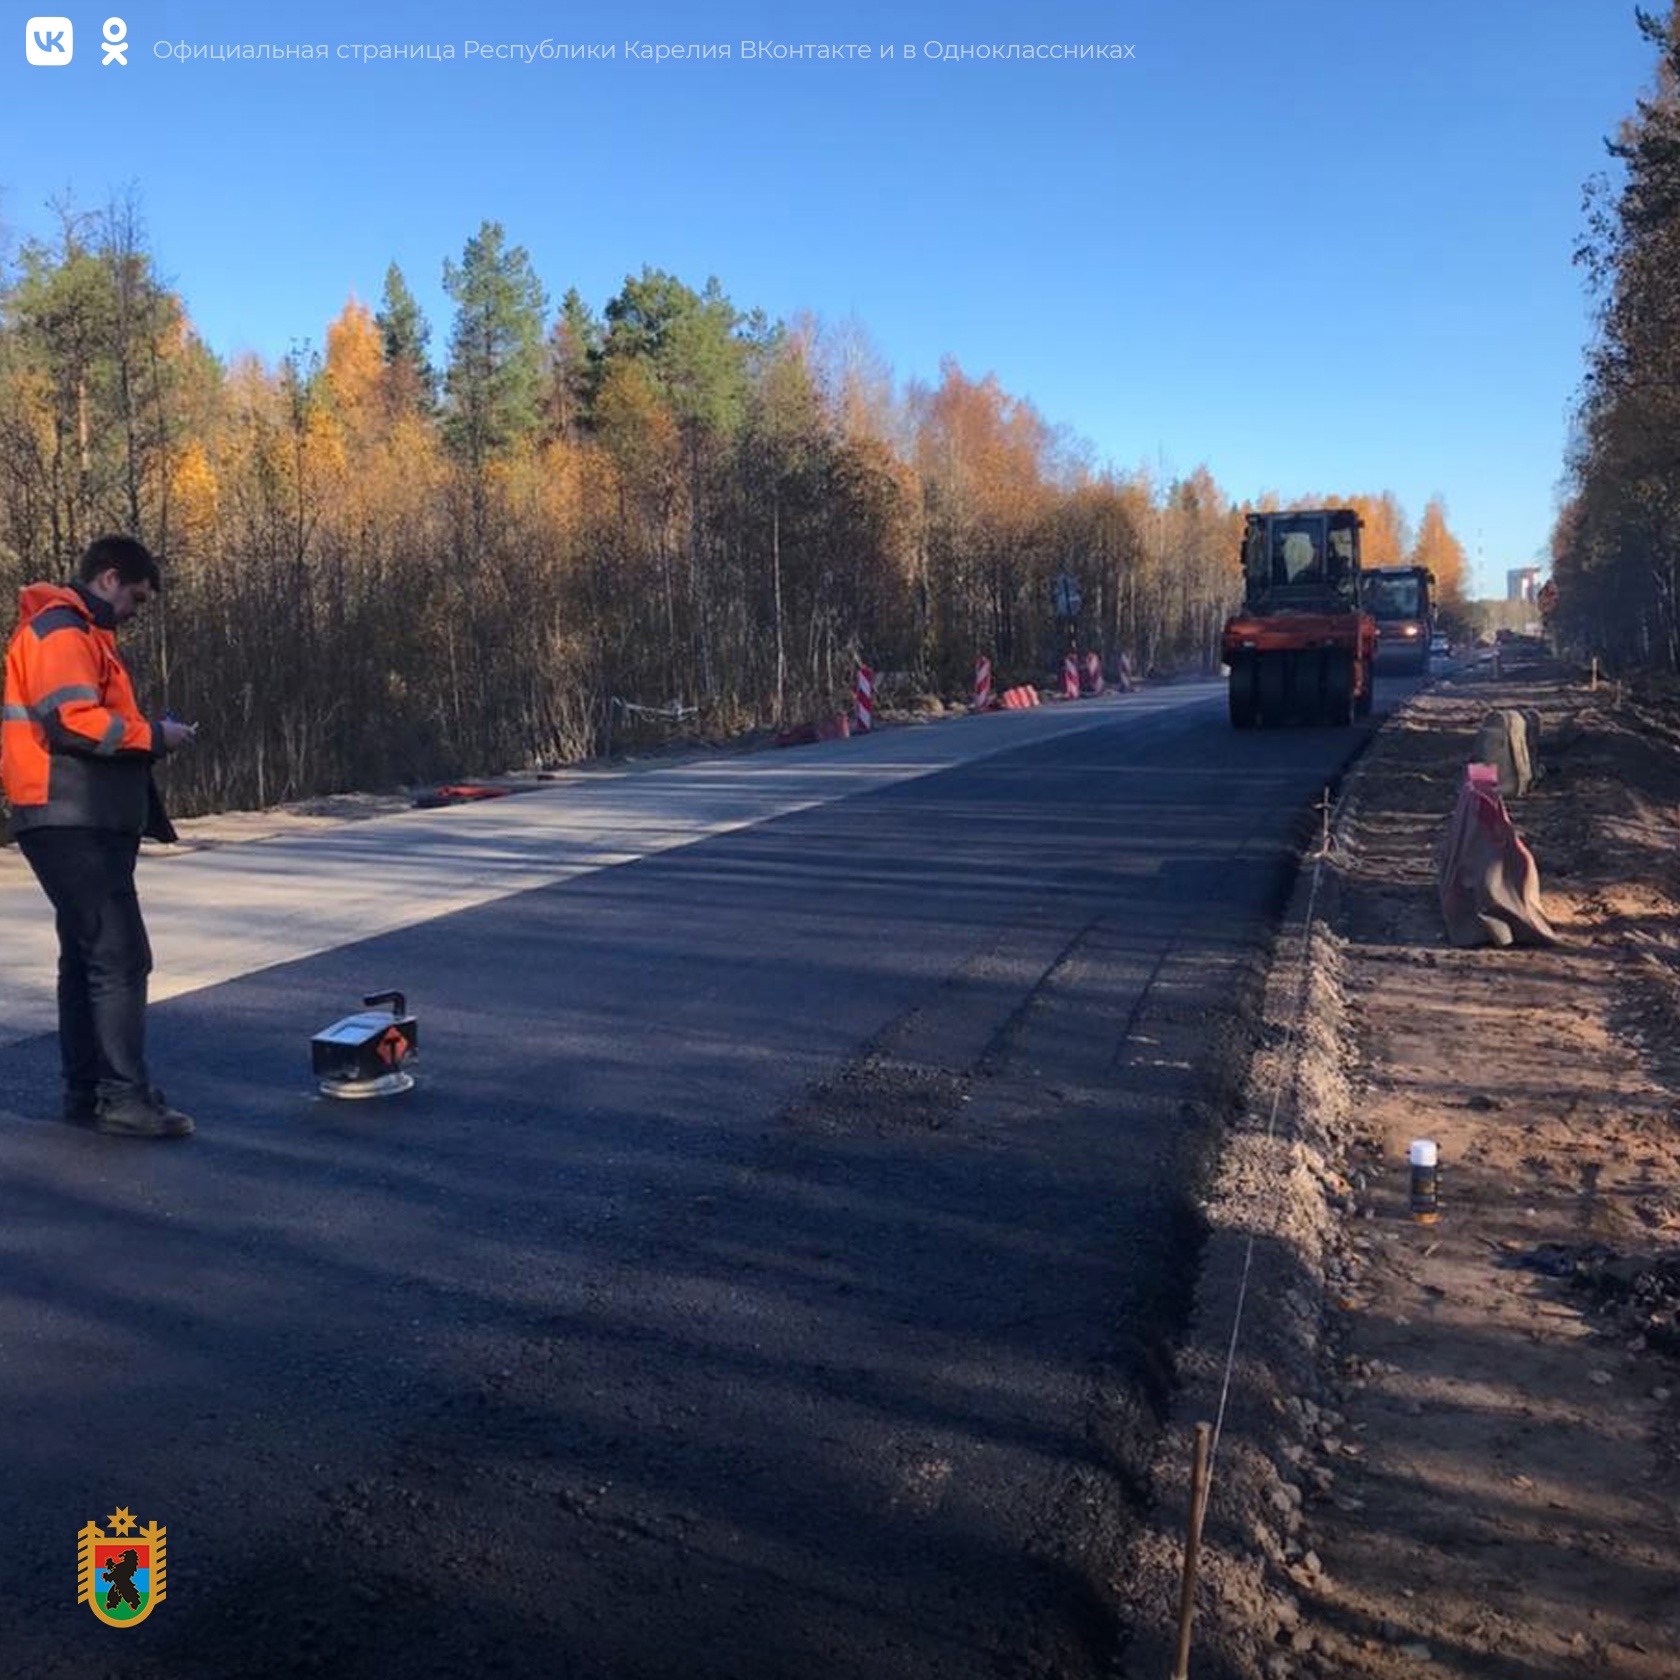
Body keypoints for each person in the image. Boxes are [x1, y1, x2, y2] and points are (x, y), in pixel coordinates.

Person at [2, 535, 198, 1137]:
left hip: (75, 814)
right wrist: (152, 736)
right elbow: (72, 722)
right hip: (68, 814)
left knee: (86, 955)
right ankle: (123, 1099)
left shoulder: (83, 634)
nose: (134, 612)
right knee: (119, 955)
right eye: (134, 598)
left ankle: (88, 1091)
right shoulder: (63, 629)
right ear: (109, 578)